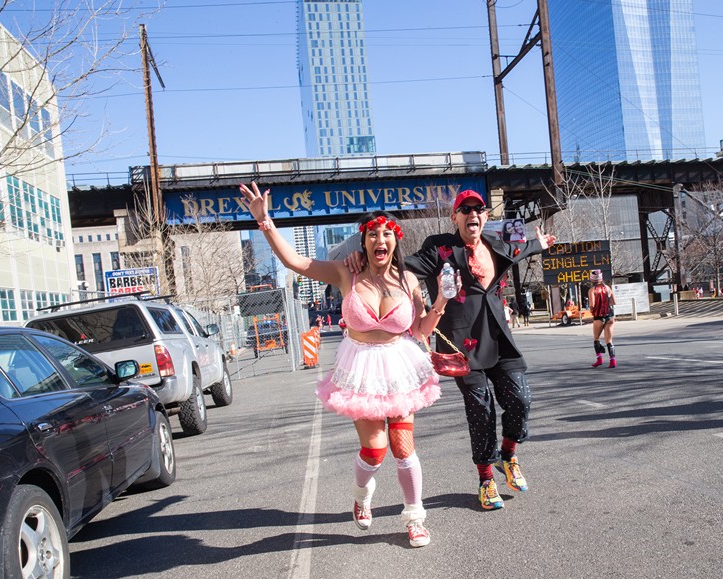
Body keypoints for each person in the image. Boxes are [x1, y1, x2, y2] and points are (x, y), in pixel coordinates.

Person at [238, 182, 459, 547]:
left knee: (404, 448)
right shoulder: (346, 273)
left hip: (399, 365)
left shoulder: (409, 279)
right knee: (374, 451)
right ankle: (361, 495)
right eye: (373, 234)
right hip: (361, 369)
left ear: (396, 240)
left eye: (386, 234)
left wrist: (441, 303)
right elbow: (295, 262)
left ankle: (415, 517)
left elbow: (420, 330)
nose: (380, 240)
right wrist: (265, 222)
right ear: (364, 241)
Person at [347, 189, 557, 510]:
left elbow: (519, 251)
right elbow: (404, 266)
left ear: (485, 216)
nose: (473, 214)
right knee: (481, 408)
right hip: (463, 347)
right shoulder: (440, 249)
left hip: (499, 339)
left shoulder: (496, 244)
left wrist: (538, 244)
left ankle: (508, 455)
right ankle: (485, 478)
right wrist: (365, 257)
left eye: (478, 209)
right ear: (455, 217)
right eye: (465, 209)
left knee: (520, 400)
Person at [587, 269, 617, 368]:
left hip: (599, 316)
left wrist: (592, 310)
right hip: (610, 315)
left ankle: (599, 359)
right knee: (609, 340)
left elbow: (592, 304)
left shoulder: (592, 290)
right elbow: (613, 302)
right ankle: (612, 361)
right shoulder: (607, 288)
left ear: (592, 279)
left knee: (596, 338)